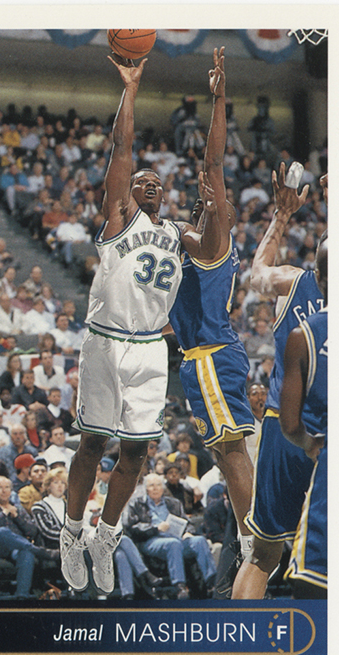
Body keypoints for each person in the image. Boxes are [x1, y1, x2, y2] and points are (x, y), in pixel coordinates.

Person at [61, 54, 220, 597]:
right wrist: (129, 88)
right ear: (127, 192)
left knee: (136, 452)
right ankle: (72, 531)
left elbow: (214, 247)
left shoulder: (178, 233)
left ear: (165, 195)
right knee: (92, 442)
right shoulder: (117, 220)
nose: (149, 182)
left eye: (157, 181)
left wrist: (213, 203)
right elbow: (122, 149)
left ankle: (106, 535)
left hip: (151, 348)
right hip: (106, 341)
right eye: (141, 180)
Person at [168, 48, 255, 564]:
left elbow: (214, 162)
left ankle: (255, 538)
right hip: (202, 357)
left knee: (233, 450)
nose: (208, 201)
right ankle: (250, 535)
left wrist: (219, 99)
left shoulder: (212, 241)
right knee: (224, 452)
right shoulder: (194, 249)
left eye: (216, 202)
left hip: (212, 357)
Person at [231, 170, 325, 600]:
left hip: (284, 430)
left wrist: (282, 217)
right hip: (331, 437)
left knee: (263, 553)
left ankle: (236, 639)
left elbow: (255, 274)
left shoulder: (296, 280)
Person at [279, 231, 327, 598]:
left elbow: (291, 424)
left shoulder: (304, 335)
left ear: (319, 279)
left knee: (316, 586)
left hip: (336, 464)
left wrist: (311, 444)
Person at [123, 474, 217, 599]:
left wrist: (188, 532)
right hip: (151, 540)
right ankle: (179, 586)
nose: (155, 488)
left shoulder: (173, 503)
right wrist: (155, 529)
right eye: (151, 485)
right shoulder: (136, 504)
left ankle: (211, 582)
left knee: (199, 540)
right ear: (146, 489)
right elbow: (131, 526)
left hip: (177, 538)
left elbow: (187, 523)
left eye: (158, 485)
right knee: (173, 543)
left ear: (163, 488)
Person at [0, 476, 57, 599]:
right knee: (3, 532)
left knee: (27, 553)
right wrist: (3, 514)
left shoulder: (18, 509)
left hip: (16, 548)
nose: (4, 491)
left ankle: (22, 596)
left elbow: (32, 531)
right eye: (0, 488)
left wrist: (17, 517)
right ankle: (41, 552)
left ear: (11, 491)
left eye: (7, 487)